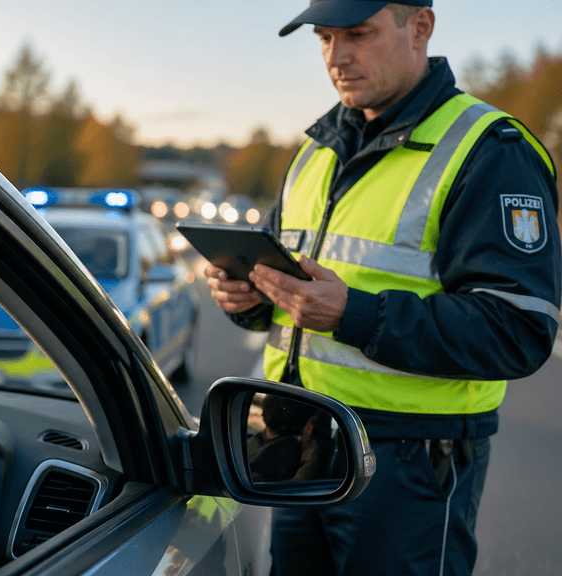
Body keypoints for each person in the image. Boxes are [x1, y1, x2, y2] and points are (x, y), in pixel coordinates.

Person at [205, 1, 560, 575]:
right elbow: (293, 296)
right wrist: (248, 299)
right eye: (324, 38)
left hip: (409, 466)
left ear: (419, 27)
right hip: (301, 449)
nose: (336, 57)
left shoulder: (491, 151)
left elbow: (518, 330)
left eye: (357, 35)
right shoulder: (313, 153)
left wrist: (355, 314)